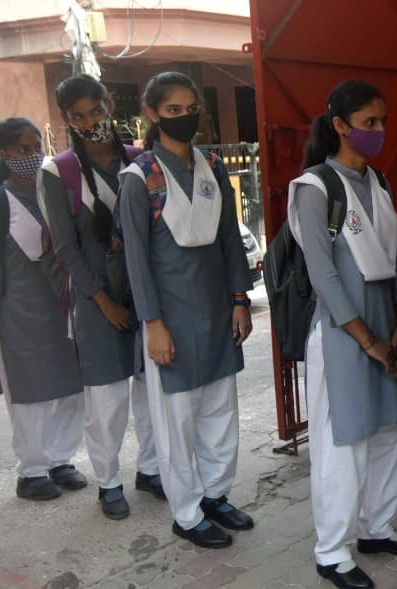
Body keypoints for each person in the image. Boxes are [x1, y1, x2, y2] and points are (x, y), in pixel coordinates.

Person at [288, 80, 397, 589]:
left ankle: (376, 528)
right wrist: (365, 337)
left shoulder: (381, 182)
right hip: (341, 331)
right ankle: (332, 550)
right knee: (343, 440)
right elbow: (324, 275)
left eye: (383, 122)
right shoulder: (314, 187)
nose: (380, 131)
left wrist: (394, 326)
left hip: (382, 323)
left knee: (389, 429)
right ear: (340, 125)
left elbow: (391, 262)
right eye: (369, 123)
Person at [117, 72, 254, 549]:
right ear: (152, 114)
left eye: (190, 107)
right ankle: (187, 512)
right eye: (173, 110)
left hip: (217, 312)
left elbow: (230, 239)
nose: (185, 116)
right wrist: (152, 325)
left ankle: (216, 494)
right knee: (177, 422)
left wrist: (241, 300)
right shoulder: (140, 179)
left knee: (220, 410)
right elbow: (136, 259)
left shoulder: (212, 167)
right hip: (170, 319)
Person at [39, 74, 162, 520]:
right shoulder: (59, 172)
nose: (90, 122)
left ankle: (151, 469)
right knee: (107, 401)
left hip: (144, 294)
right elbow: (65, 247)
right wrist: (103, 301)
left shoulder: (140, 159)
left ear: (109, 105)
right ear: (66, 120)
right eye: (78, 116)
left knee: (151, 391)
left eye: (95, 111)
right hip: (97, 305)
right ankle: (109, 482)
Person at [0, 118, 86, 500]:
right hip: (18, 316)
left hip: (62, 310)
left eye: (37, 147)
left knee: (68, 388)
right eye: (23, 149)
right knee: (29, 394)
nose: (32, 156)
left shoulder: (52, 193)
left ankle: (60, 460)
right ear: (3, 153)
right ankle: (32, 470)